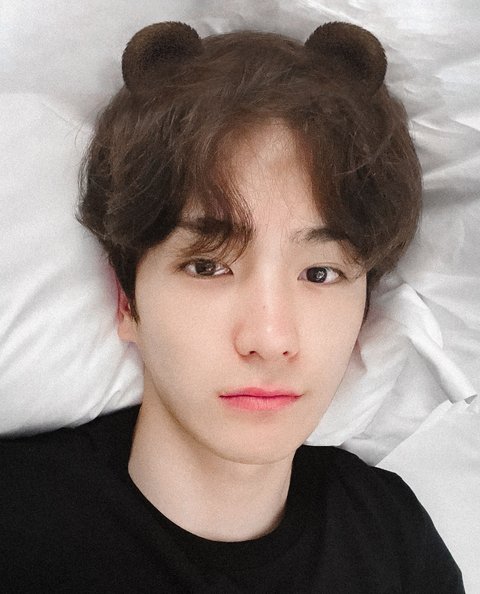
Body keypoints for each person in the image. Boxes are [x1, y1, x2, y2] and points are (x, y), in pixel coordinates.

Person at [0, 21, 464, 593]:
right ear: (126, 299)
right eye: (207, 267)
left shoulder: (394, 542)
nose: (269, 339)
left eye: (321, 273)